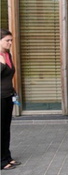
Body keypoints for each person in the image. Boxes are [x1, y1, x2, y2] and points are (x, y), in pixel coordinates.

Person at [1, 29, 21, 170]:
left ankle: (7, 156)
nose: (10, 43)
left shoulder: (8, 54)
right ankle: (1, 161)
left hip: (8, 96)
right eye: (7, 40)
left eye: (11, 40)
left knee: (6, 128)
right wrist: (1, 64)